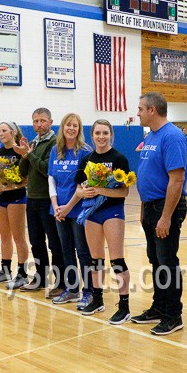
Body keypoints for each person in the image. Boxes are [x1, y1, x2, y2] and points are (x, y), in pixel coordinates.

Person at [131, 92, 187, 335]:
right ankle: (159, 307)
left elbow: (176, 180)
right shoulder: (152, 136)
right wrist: (145, 210)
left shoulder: (172, 136)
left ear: (152, 110)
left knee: (167, 262)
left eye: (141, 109)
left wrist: (166, 217)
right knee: (156, 260)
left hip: (166, 207)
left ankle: (173, 315)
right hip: (151, 206)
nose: (138, 113)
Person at [74, 120, 132, 324]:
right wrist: (85, 191)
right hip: (91, 212)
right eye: (97, 132)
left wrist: (101, 190)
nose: (101, 136)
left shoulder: (119, 158)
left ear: (111, 134)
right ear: (92, 135)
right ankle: (97, 299)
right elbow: (78, 189)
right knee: (95, 259)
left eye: (105, 132)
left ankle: (124, 306)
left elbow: (124, 190)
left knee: (116, 259)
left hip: (112, 212)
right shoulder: (86, 160)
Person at [13, 108, 65, 295]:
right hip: (32, 198)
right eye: (35, 121)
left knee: (54, 243)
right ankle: (41, 278)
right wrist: (24, 155)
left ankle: (61, 283)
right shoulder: (34, 142)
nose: (38, 124)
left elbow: (46, 169)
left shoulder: (55, 143)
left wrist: (30, 155)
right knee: (36, 241)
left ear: (51, 122)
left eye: (42, 120)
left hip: (48, 200)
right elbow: (22, 171)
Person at [48, 113, 93, 309]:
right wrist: (56, 204)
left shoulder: (85, 152)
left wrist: (68, 207)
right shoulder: (55, 150)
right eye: (68, 125)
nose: (71, 128)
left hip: (78, 209)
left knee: (83, 251)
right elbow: (51, 180)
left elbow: (84, 185)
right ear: (63, 128)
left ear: (79, 129)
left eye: (75, 125)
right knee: (66, 250)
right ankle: (72, 289)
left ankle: (90, 292)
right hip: (58, 209)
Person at [0, 122, 29, 288]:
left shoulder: (20, 152)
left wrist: (11, 186)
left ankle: (22, 273)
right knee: (4, 236)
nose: (0, 133)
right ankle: (5, 270)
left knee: (18, 237)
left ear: (13, 132)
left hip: (16, 198)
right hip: (0, 198)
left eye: (4, 130)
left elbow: (26, 179)